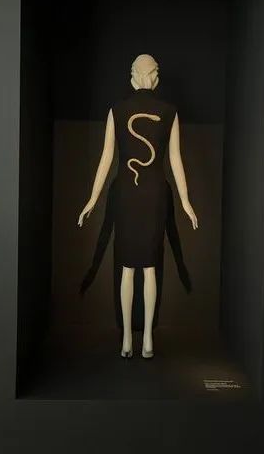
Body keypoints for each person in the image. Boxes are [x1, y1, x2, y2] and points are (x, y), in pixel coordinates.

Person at [78, 54, 198, 359]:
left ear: (133, 76)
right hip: (155, 195)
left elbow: (106, 159)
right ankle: (146, 339)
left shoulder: (117, 110)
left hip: (127, 196)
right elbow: (175, 160)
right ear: (154, 76)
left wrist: (93, 198)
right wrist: (184, 200)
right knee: (150, 268)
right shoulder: (169, 112)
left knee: (128, 268)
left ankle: (127, 340)